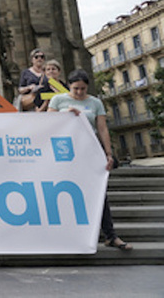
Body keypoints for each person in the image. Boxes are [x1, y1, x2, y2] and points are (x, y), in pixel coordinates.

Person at [48, 69, 133, 251]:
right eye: (76, 89)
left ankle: (111, 235)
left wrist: (108, 154)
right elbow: (48, 123)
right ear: (69, 86)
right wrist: (66, 115)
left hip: (89, 151)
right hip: (65, 154)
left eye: (83, 89)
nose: (79, 93)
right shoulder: (59, 100)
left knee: (99, 193)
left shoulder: (94, 102)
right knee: (66, 193)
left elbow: (102, 129)